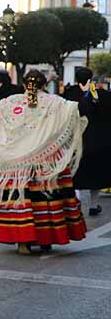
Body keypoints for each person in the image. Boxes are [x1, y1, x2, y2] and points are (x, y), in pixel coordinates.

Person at [0, 69, 88, 254]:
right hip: (46, 163)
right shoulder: (56, 103)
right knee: (46, 201)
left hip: (17, 165)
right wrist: (85, 92)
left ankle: (23, 242)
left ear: (24, 84)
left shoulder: (9, 103)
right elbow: (80, 111)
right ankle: (46, 239)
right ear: (44, 85)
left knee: (22, 202)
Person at [63, 67, 111, 216]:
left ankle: (75, 203)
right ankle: (93, 204)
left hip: (75, 141)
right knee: (95, 175)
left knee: (74, 172)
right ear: (91, 79)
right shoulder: (103, 95)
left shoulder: (70, 94)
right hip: (98, 142)